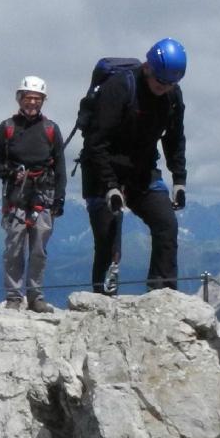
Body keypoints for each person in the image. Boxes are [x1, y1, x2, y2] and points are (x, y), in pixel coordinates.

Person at [81, 39, 187, 294]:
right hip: (102, 169)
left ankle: (163, 296)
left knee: (166, 224)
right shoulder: (120, 88)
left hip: (142, 171)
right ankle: (102, 303)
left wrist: (179, 179)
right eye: (161, 82)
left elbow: (174, 138)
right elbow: (96, 142)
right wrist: (109, 186)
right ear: (148, 68)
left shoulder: (172, 95)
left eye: (171, 84)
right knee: (107, 240)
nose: (164, 88)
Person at [0, 75, 66, 311]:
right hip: (16, 193)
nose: (32, 103)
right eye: (28, 98)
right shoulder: (7, 128)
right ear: (20, 99)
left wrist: (59, 198)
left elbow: (60, 165)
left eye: (37, 99)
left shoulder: (51, 129)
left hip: (44, 193)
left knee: (38, 248)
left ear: (42, 101)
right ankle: (13, 296)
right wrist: (9, 174)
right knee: (14, 245)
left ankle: (35, 296)